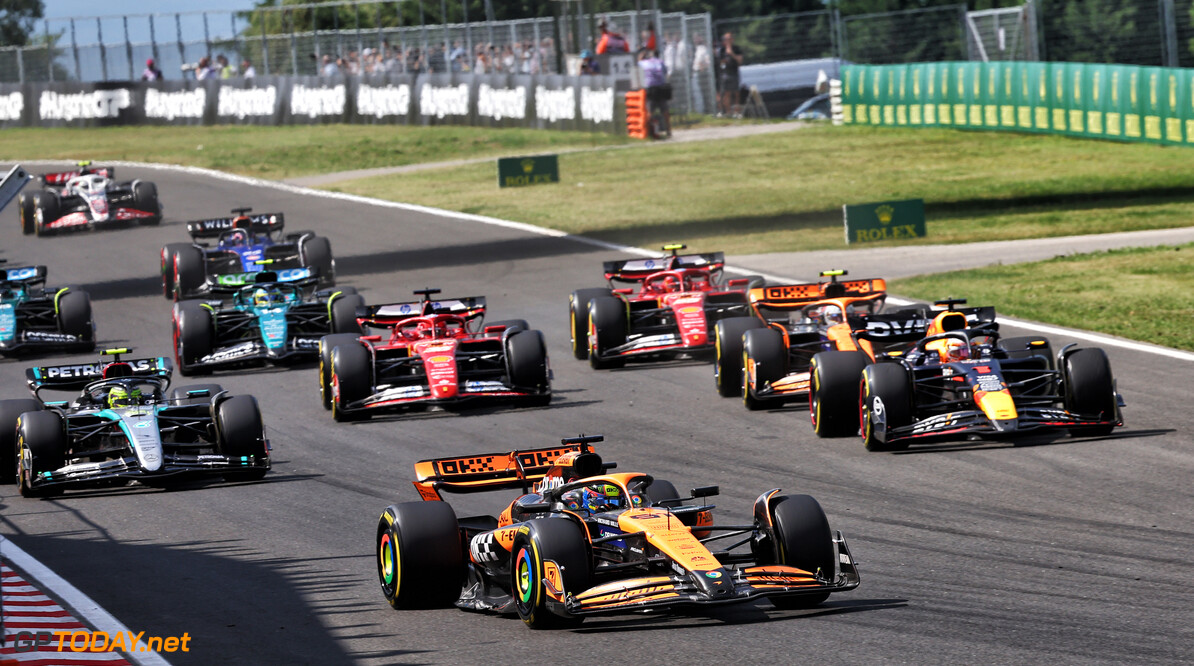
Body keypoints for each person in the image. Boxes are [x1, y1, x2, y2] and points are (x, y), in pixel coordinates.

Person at [638, 49, 670, 137]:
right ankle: (669, 130)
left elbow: (638, 64)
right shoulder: (660, 62)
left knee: (650, 111)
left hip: (651, 88)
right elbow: (665, 72)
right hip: (661, 87)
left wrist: (640, 57)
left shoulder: (644, 63)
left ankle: (648, 131)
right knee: (665, 110)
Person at [716, 32, 744, 117]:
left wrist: (731, 53)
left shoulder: (736, 49)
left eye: (728, 39)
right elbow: (720, 63)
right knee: (726, 93)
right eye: (725, 39)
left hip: (734, 73)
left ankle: (737, 112)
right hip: (725, 74)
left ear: (732, 39)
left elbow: (740, 61)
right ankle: (728, 112)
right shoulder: (721, 50)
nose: (726, 41)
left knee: (736, 93)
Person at [692, 33, 711, 115]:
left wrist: (702, 67)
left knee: (704, 93)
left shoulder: (703, 49)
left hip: (702, 73)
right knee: (701, 94)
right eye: (694, 38)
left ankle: (708, 110)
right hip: (698, 73)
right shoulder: (698, 49)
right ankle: (704, 110)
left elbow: (707, 62)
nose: (695, 40)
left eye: (697, 38)